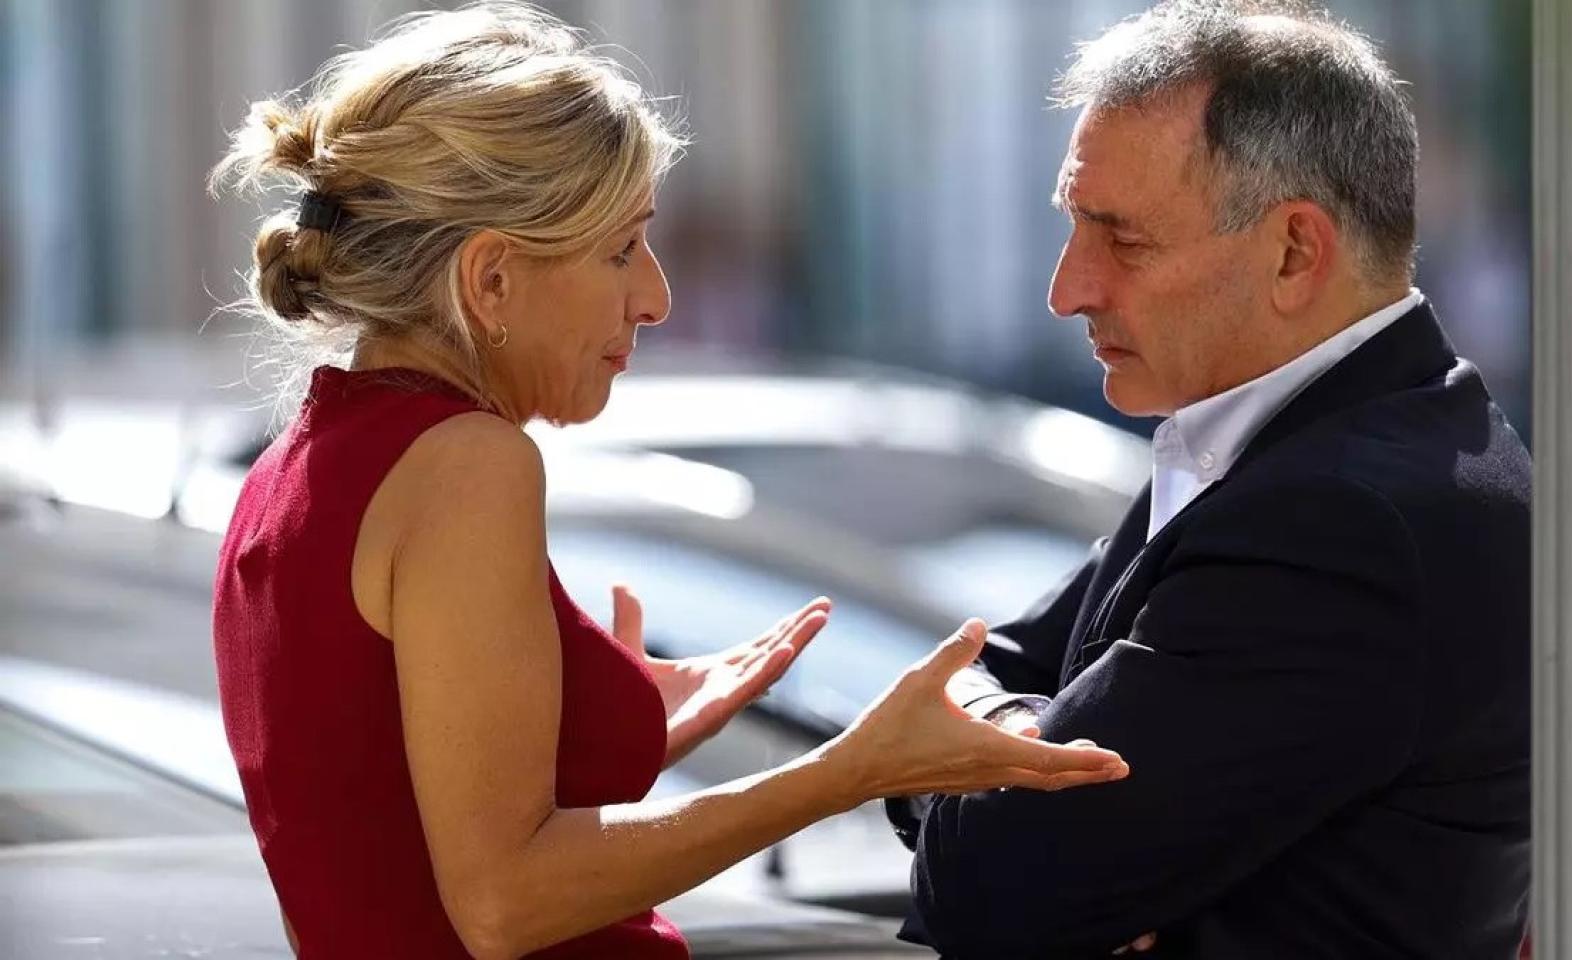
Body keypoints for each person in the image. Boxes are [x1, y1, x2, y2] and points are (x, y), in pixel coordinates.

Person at [206, 5, 1129, 958]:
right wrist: (849, 771)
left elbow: (381, 835)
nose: (656, 296)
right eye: (620, 249)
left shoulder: (287, 470)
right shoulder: (466, 463)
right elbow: (503, 904)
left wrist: (599, 722)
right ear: (489, 282)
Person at [886, 2, 1532, 957]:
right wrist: (1008, 731)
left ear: (1294, 251)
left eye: (1124, 240)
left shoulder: (1342, 518)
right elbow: (981, 669)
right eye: (1073, 227)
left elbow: (990, 882)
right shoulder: (1303, 441)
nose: (1068, 287)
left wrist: (963, 754)